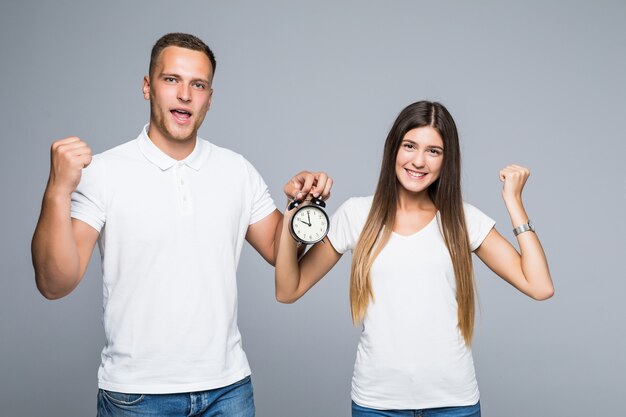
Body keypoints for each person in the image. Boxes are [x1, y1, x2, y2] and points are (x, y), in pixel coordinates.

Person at [31, 32, 331, 417]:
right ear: (147, 87)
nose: (185, 94)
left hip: (228, 391)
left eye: (198, 84)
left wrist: (301, 206)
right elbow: (54, 283)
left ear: (209, 98)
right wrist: (57, 190)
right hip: (137, 396)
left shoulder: (236, 170)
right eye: (171, 79)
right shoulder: (103, 172)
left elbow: (280, 248)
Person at [275, 100, 554, 417]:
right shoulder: (356, 214)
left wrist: (514, 202)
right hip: (377, 404)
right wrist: (293, 212)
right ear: (393, 148)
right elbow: (288, 289)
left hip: (453, 404)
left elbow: (539, 286)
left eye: (433, 151)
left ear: (446, 160)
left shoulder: (462, 219)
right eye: (410, 146)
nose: (419, 161)